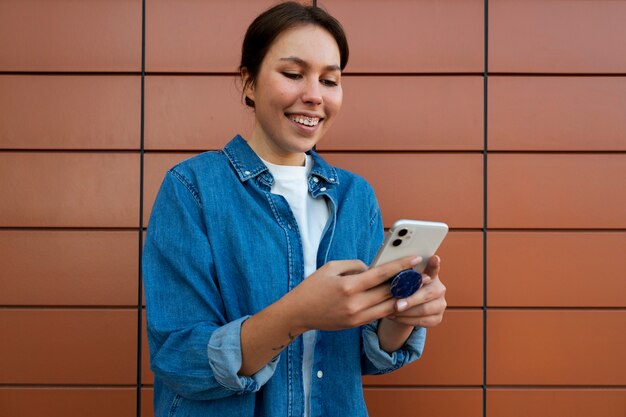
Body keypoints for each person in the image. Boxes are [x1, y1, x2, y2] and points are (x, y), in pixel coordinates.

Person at [143, 2, 447, 416]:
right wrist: (299, 314)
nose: (314, 96)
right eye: (293, 74)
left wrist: (403, 314)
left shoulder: (356, 198)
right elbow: (179, 357)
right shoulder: (191, 188)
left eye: (330, 80)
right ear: (248, 83)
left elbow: (364, 354)